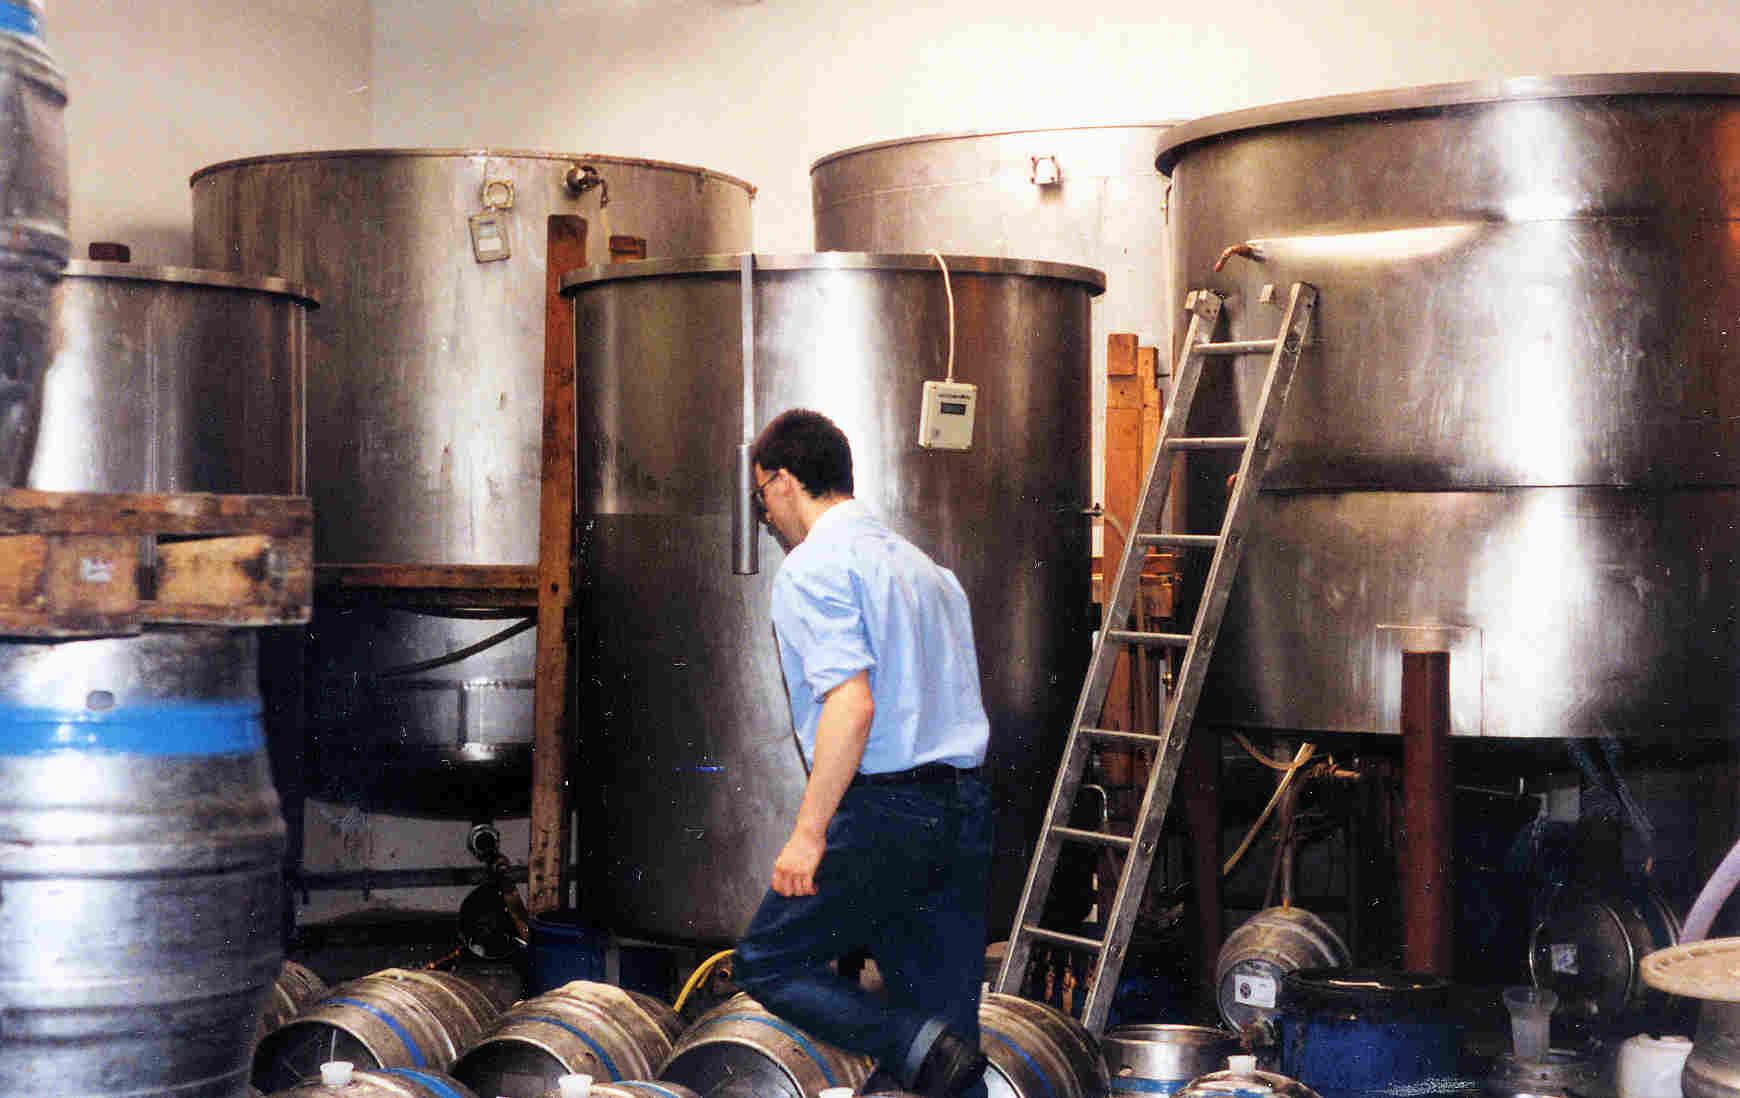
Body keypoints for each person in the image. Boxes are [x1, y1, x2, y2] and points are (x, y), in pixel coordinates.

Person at [732, 408, 993, 1098]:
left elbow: (853, 706)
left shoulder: (814, 567)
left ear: (784, 482)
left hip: (887, 811)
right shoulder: (928, 571)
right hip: (964, 807)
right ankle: (923, 1050)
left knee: (767, 960)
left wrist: (807, 836)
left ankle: (906, 1043)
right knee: (949, 1049)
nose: (766, 515)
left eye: (762, 497)